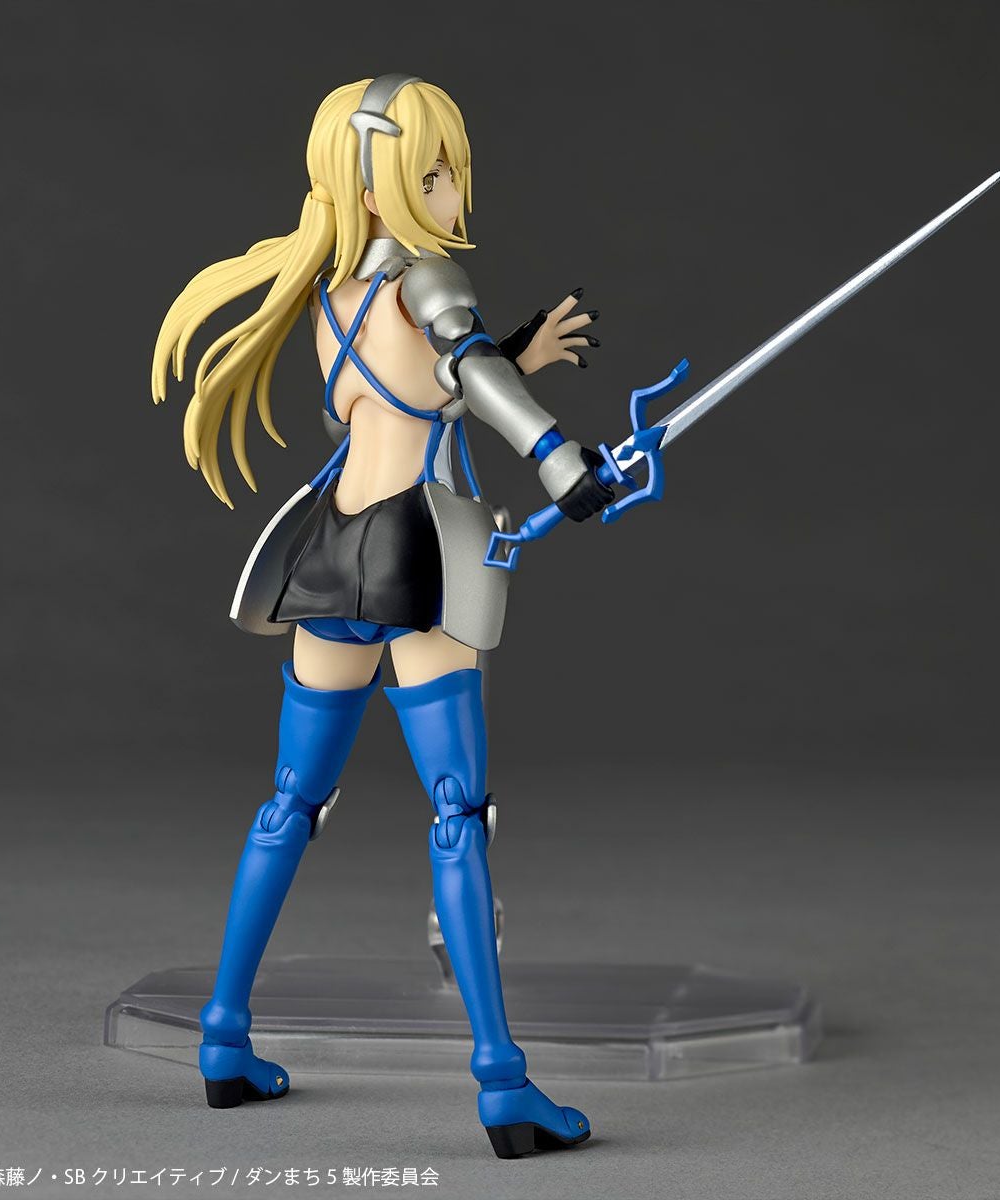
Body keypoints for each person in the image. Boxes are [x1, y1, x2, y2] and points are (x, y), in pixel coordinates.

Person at [151, 74, 611, 1159]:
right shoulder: (432, 278)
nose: (456, 190)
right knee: (457, 813)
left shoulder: (333, 300)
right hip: (415, 554)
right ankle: (502, 1083)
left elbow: (390, 402)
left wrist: (513, 352)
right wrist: (559, 458)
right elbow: (465, 372)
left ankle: (223, 1036)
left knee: (289, 804)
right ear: (382, 183)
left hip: (332, 552)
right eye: (437, 170)